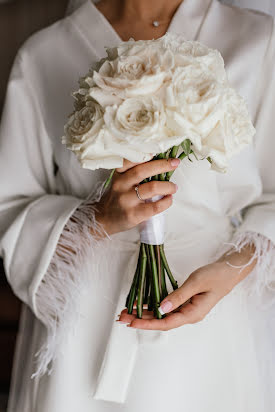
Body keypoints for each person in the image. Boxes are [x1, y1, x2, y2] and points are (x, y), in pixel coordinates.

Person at [1, 0, 275, 410]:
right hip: (89, 323)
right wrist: (96, 221)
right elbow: (10, 207)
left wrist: (231, 270)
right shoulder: (45, 53)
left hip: (212, 310)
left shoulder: (257, 40)